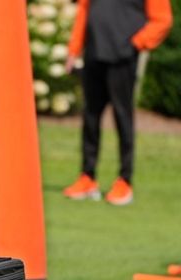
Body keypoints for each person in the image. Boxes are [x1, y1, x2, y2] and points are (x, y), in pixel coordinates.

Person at [63, 0, 172, 205]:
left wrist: (136, 43)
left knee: (123, 117)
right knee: (90, 117)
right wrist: (74, 49)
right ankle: (87, 177)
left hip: (123, 57)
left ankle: (124, 180)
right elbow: (84, 10)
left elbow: (163, 20)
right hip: (94, 53)